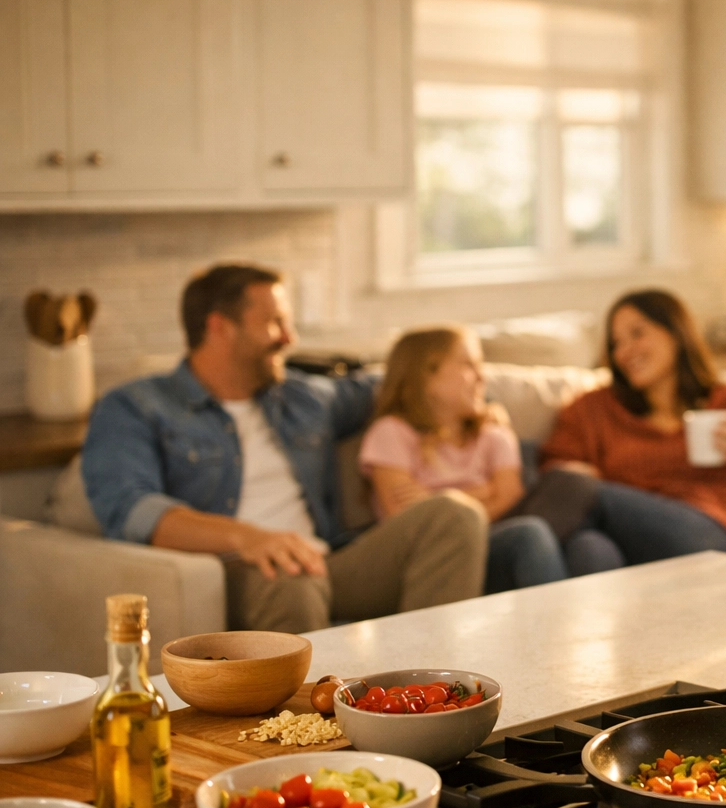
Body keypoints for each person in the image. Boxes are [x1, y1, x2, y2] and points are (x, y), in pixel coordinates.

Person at [82, 264, 488, 633]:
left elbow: (401, 384)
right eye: (275, 323)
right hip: (232, 573)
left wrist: (481, 409)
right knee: (289, 578)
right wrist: (247, 538)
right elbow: (132, 510)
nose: (290, 339)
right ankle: (310, 698)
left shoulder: (302, 398)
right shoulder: (135, 407)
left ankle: (424, 685)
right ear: (220, 327)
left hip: (327, 562)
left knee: (455, 515)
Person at [540, 289, 726, 572]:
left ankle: (516, 547)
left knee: (584, 493)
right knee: (589, 549)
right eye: (616, 343)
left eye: (637, 333)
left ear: (676, 333)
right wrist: (575, 470)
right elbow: (554, 472)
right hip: (629, 543)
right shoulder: (592, 409)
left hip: (715, 537)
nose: (624, 351)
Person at [359, 326, 566, 593]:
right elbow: (404, 518)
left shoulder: (494, 434)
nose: (482, 376)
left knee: (573, 527)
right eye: (469, 364)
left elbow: (510, 495)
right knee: (531, 534)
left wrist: (434, 500)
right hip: (428, 558)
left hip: (492, 544)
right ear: (426, 374)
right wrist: (484, 491)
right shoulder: (391, 432)